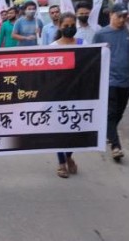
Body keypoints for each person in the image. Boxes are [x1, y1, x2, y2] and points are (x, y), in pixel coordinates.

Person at [92, 3, 129, 161]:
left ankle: (109, 132)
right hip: (109, 80)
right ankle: (116, 146)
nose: (121, 20)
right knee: (111, 113)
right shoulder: (101, 34)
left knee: (118, 113)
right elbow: (93, 56)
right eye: (118, 16)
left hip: (126, 80)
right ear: (111, 15)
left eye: (124, 17)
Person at [49, 12, 84, 177]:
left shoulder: (84, 44)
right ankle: (62, 163)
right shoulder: (53, 48)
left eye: (72, 25)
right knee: (59, 130)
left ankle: (69, 156)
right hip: (59, 94)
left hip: (79, 93)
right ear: (59, 26)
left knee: (74, 131)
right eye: (66, 26)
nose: (69, 28)